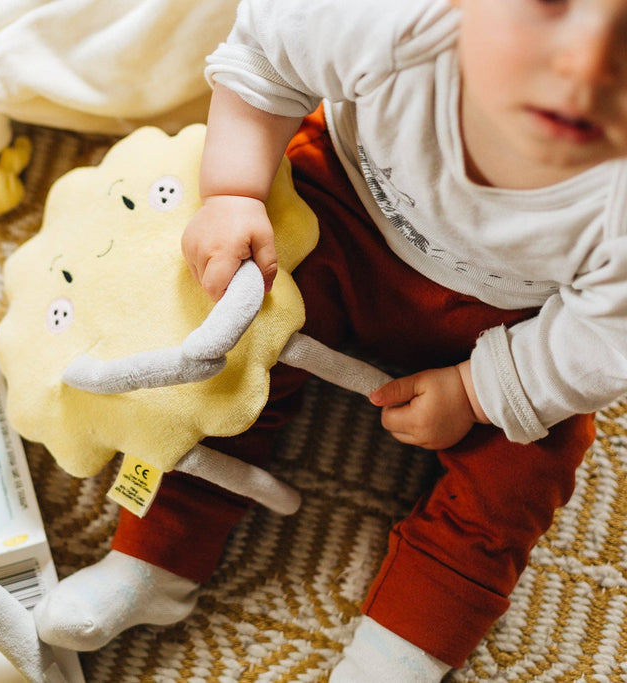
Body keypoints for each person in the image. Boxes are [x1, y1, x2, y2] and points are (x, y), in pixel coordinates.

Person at [32, 0, 627, 680]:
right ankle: (153, 554)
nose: (586, 67)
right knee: (211, 341)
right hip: (335, 213)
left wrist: (479, 391)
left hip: (520, 325)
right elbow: (265, 56)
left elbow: (603, 340)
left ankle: (402, 649)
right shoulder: (382, 18)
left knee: (523, 469)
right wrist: (233, 192)